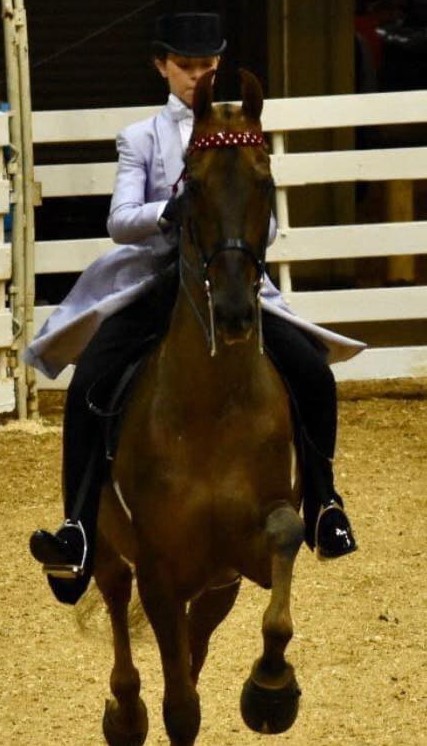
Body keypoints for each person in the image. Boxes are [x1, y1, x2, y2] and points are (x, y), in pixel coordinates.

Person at [28, 12, 363, 606]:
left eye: (207, 65)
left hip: (231, 277)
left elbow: (269, 217)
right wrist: (169, 212)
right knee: (91, 381)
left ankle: (324, 504)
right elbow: (118, 219)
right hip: (160, 279)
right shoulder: (143, 137)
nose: (197, 76)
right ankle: (79, 528)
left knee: (310, 371)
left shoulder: (240, 130)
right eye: (186, 66)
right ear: (162, 66)